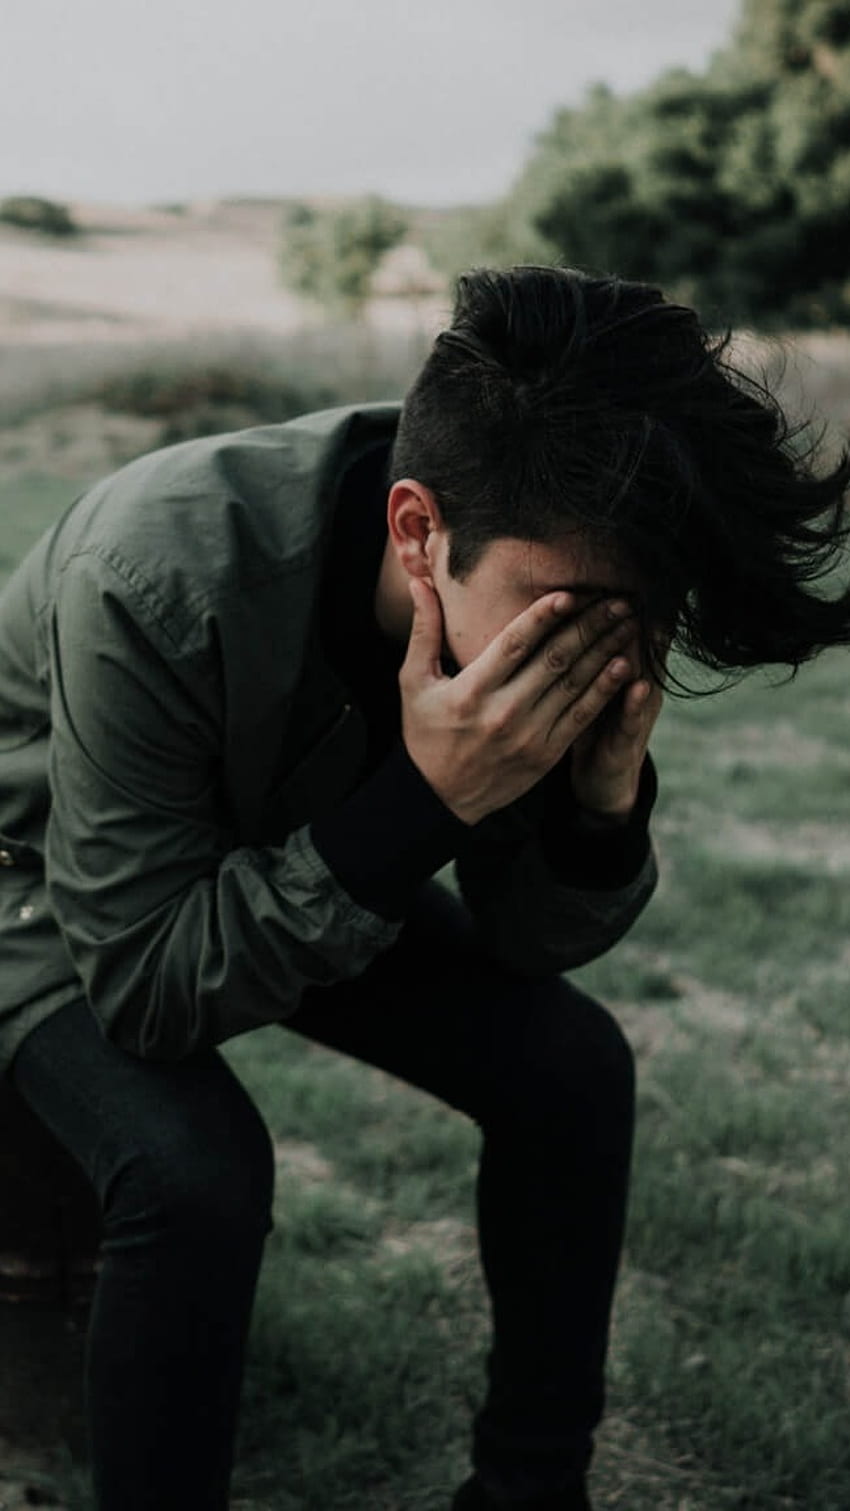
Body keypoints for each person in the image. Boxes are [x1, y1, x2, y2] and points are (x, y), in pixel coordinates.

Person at [1, 266, 848, 1511]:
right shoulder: (155, 568)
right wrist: (425, 802)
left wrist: (597, 807)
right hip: (43, 883)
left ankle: (526, 1492)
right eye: (568, 613)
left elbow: (525, 938)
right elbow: (147, 986)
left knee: (570, 1068)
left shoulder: (511, 544)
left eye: (635, 617)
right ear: (417, 532)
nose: (591, 648)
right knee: (194, 1171)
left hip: (284, 857)